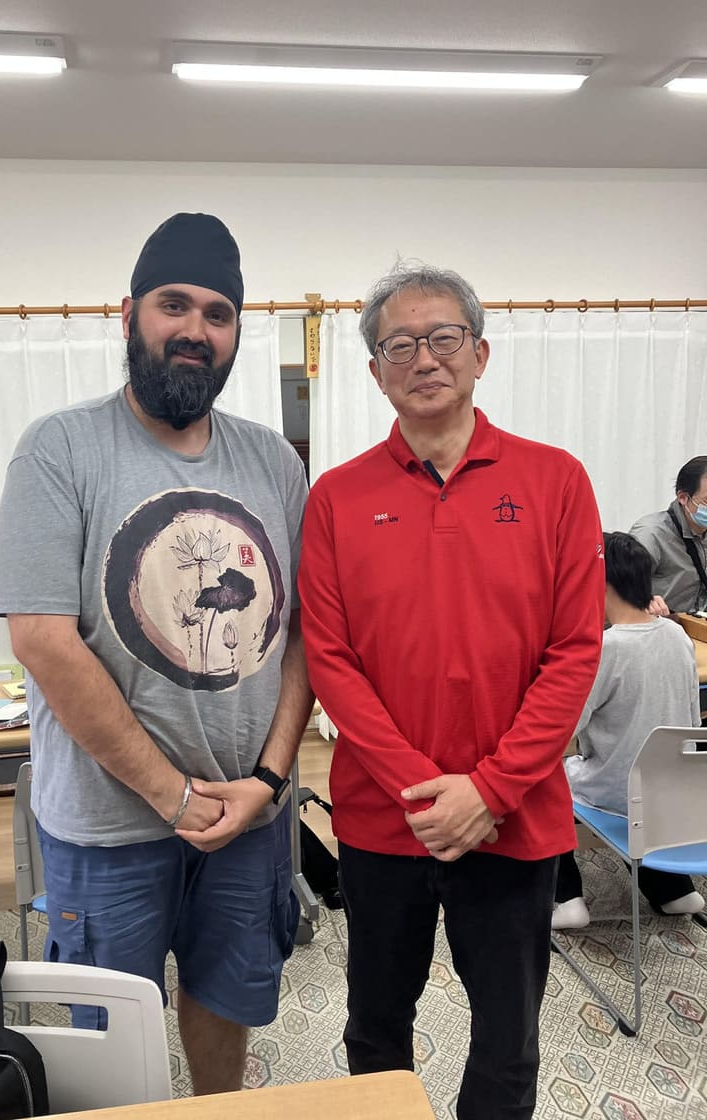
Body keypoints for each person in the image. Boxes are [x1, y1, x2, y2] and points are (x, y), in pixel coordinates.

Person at [0, 213, 312, 1095]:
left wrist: (272, 780)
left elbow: (303, 636)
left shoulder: (276, 466)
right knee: (113, 1036)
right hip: (108, 827)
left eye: (219, 313)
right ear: (128, 312)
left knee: (227, 1000)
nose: (195, 330)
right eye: (175, 305)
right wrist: (167, 793)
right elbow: (43, 640)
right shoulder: (59, 450)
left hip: (247, 821)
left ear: (238, 332)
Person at [298, 263, 605, 1120]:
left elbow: (574, 652)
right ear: (375, 371)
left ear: (479, 354)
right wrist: (427, 791)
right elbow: (331, 660)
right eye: (401, 344)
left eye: (444, 339)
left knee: (508, 1040)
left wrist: (490, 790)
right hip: (381, 823)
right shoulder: (336, 497)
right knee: (375, 1029)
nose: (424, 359)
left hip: (515, 822)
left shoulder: (556, 481)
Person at [553, 531, 704, 929]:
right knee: (640, 780)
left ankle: (566, 898)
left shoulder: (605, 649)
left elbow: (566, 728)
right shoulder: (676, 635)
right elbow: (690, 716)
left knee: (543, 777)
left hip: (616, 793)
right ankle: (672, 890)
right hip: (673, 792)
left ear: (599, 583)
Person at [629, 456, 707, 617]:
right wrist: (645, 602)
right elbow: (619, 593)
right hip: (657, 631)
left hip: (697, 630)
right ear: (683, 498)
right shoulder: (650, 534)